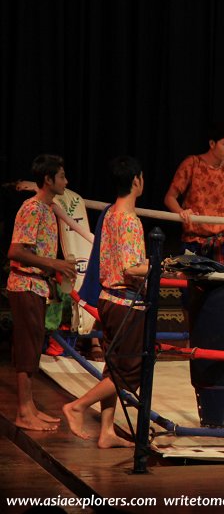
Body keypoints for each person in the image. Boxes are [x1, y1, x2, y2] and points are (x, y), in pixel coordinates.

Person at [63, 157, 149, 448]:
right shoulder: (129, 221)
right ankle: (78, 406)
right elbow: (130, 268)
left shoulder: (109, 213)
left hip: (107, 299)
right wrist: (159, 265)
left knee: (114, 367)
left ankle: (107, 431)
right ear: (136, 180)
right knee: (130, 371)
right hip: (124, 302)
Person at [7, 154, 77, 431]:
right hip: (24, 284)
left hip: (37, 286)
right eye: (61, 176)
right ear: (48, 180)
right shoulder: (32, 208)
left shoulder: (49, 208)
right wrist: (55, 264)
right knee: (26, 348)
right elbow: (16, 250)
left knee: (34, 347)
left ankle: (31, 407)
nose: (66, 181)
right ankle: (23, 412)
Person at [164, 122, 224, 265]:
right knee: (192, 285)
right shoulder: (192, 164)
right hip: (193, 241)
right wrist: (181, 212)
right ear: (212, 143)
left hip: (221, 242)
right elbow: (169, 198)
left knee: (220, 286)